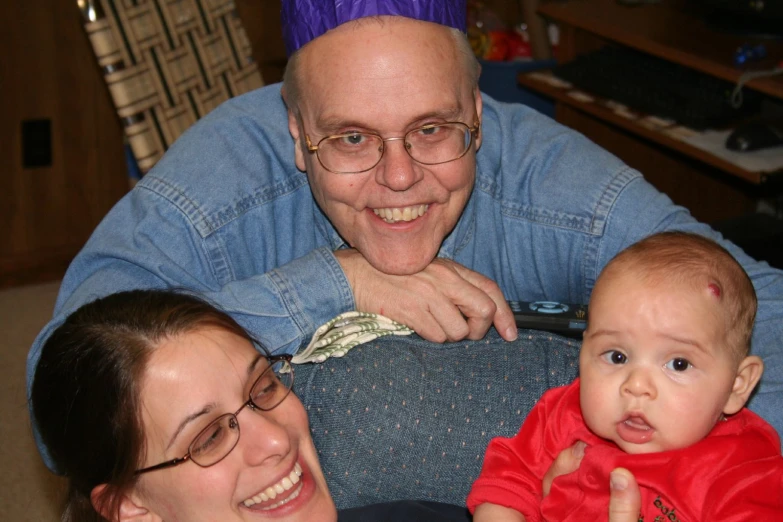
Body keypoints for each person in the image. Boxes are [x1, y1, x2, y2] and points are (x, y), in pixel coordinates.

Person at [26, 0, 783, 509]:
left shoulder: (544, 182)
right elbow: (59, 387)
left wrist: (692, 489)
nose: (397, 178)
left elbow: (759, 304)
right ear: (293, 131)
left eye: (431, 129)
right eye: (350, 137)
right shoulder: (219, 188)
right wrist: (333, 283)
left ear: (479, 114)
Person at [31, 289, 641, 522]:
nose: (276, 439)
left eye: (264, 387)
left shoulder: (410, 512)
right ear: (131, 506)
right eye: (209, 437)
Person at [467, 232, 783, 520]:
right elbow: (507, 483)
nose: (636, 385)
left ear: (736, 386)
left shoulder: (745, 471)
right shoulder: (565, 413)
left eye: (679, 364)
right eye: (617, 356)